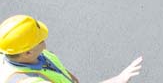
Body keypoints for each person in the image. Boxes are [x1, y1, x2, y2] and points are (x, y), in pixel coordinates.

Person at [0, 15, 142, 83]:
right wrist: (118, 79)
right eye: (40, 40)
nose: (44, 41)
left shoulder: (21, 53)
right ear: (28, 52)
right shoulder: (29, 82)